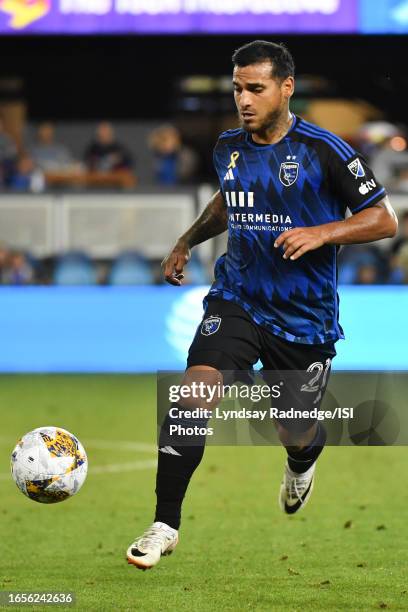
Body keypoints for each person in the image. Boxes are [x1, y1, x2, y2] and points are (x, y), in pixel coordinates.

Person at [126, 41, 397, 570]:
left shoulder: (326, 150)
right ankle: (164, 524)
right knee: (192, 393)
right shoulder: (228, 146)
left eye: (255, 88)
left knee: (293, 429)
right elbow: (230, 200)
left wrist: (323, 232)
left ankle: (302, 459)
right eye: (237, 88)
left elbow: (384, 218)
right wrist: (187, 240)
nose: (243, 100)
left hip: (303, 318)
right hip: (239, 298)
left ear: (285, 88)